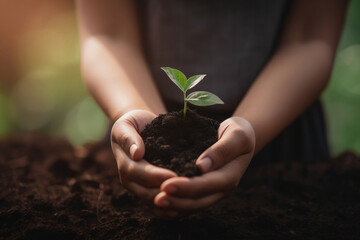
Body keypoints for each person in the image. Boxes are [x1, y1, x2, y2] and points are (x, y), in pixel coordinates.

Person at [75, 0, 348, 218]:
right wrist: (138, 117)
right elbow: (107, 34)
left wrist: (249, 125)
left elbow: (309, 37)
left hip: (279, 131)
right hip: (143, 127)